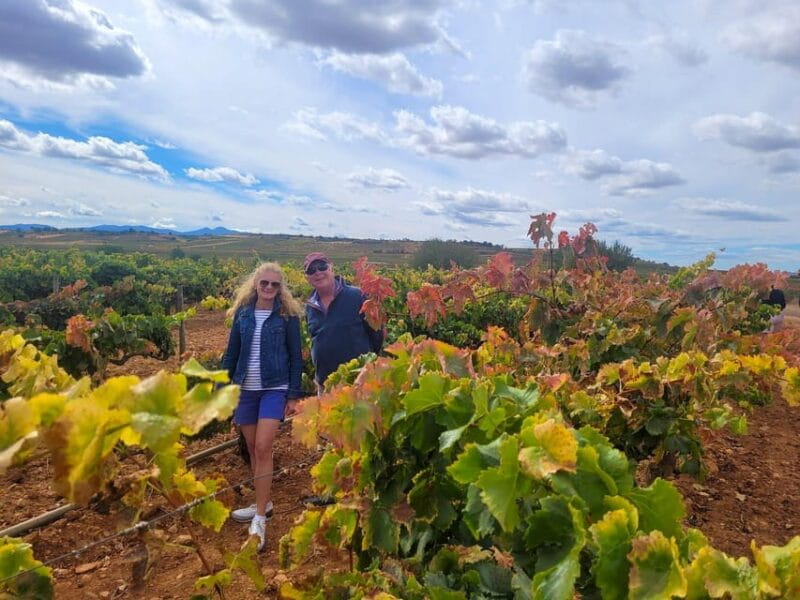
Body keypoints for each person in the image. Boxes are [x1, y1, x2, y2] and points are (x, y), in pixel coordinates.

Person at [222, 261, 303, 551]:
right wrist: (223, 389)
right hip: (245, 389)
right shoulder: (243, 314)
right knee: (254, 446)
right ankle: (263, 502)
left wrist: (293, 394)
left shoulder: (287, 316)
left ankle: (259, 518)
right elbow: (231, 354)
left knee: (264, 446)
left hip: (274, 387)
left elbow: (296, 356)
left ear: (281, 288)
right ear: (255, 284)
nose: (269, 288)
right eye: (264, 283)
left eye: (275, 284)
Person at [303, 252, 384, 391]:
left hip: (359, 382)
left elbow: (377, 334)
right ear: (307, 277)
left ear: (331, 268)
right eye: (311, 270)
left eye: (322, 266)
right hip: (327, 385)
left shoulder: (358, 296)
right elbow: (315, 340)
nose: (317, 272)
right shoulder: (310, 306)